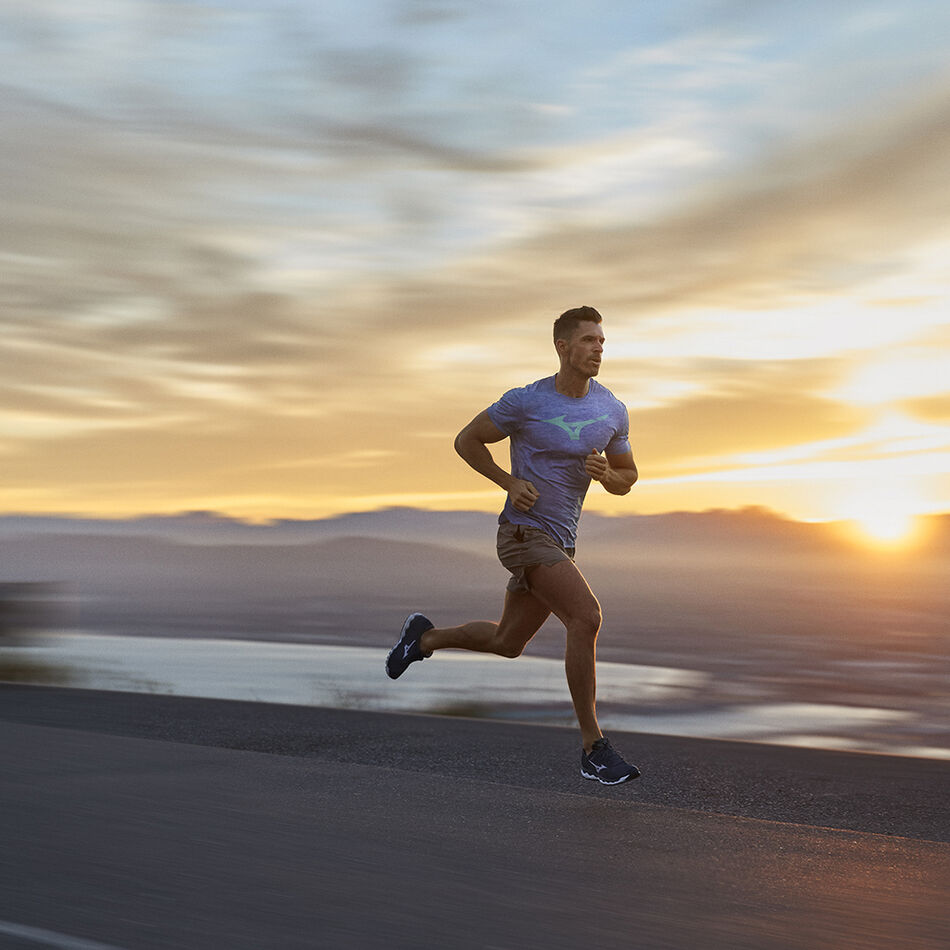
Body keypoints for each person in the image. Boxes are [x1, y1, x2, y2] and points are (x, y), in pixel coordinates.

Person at [386, 306, 640, 784]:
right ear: (562, 347)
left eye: (602, 341)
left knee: (508, 642)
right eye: (588, 340)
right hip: (523, 533)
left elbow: (629, 477)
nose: (599, 349)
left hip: (561, 543)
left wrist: (609, 477)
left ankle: (422, 638)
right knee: (586, 616)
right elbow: (467, 440)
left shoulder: (611, 410)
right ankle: (593, 747)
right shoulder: (527, 401)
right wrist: (507, 481)